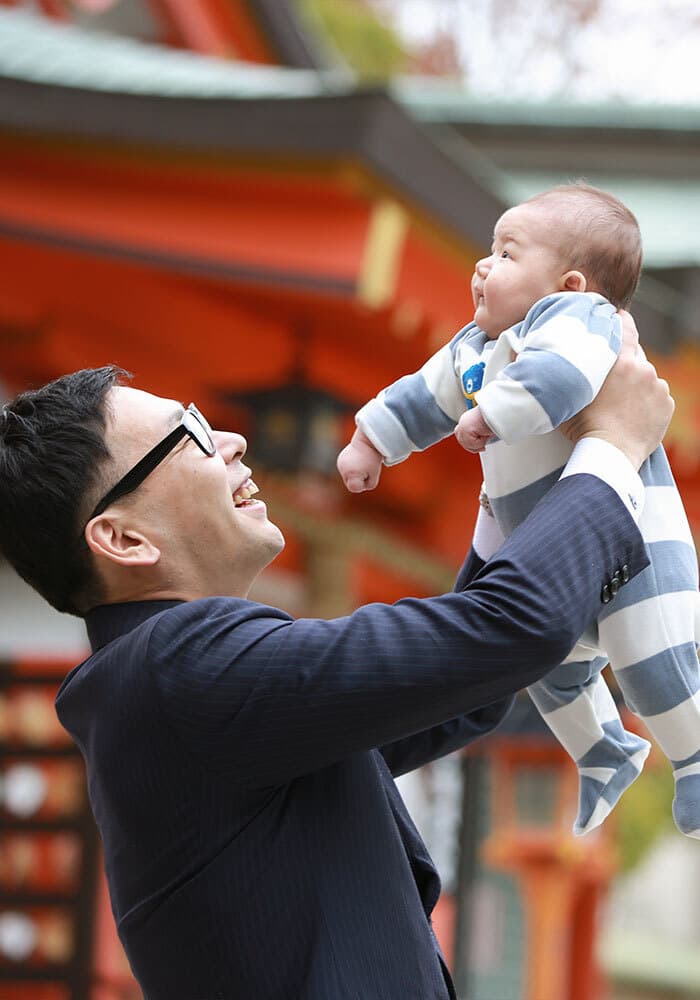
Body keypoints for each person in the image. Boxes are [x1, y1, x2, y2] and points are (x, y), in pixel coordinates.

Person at [0, 336, 671, 1000]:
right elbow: (504, 631)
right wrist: (611, 447)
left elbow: (462, 688)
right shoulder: (180, 667)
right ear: (123, 539)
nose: (232, 440)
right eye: (192, 434)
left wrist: (511, 485)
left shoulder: (171, 685)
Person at [338, 183, 700, 840]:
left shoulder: (580, 318)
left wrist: (493, 414)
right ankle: (605, 754)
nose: (483, 266)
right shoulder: (473, 347)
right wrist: (374, 439)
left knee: (651, 661)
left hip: (630, 543)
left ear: (567, 281)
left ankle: (694, 758)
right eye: (489, 251)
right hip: (536, 544)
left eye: (507, 253)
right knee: (548, 670)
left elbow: (560, 379)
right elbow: (425, 394)